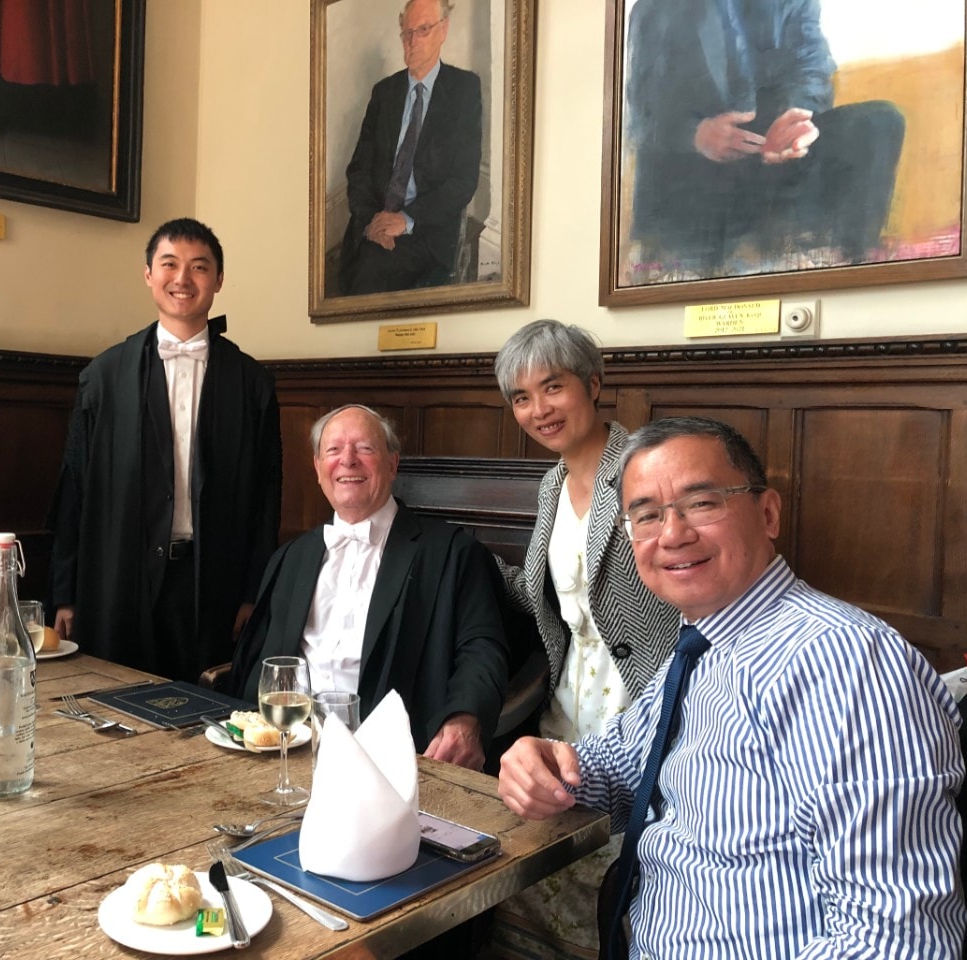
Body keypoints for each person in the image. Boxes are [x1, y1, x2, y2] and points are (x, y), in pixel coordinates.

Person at [499, 417, 966, 958]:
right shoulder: (705, 638)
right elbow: (629, 765)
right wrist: (553, 768)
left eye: (702, 503)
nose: (672, 534)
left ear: (767, 514)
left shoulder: (847, 665)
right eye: (646, 515)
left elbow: (894, 938)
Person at [489, 320, 678, 957]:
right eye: (520, 397)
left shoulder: (646, 467)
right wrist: (469, 566)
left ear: (593, 384)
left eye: (553, 386)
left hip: (642, 693)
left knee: (620, 864)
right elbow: (553, 596)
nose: (538, 409)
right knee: (547, 849)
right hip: (567, 693)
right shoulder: (550, 484)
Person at [49, 218, 281, 683]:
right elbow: (74, 487)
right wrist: (66, 593)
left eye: (199, 267)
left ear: (218, 280)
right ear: (148, 275)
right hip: (119, 577)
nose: (183, 279)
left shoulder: (251, 382)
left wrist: (253, 593)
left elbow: (265, 496)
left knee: (204, 713)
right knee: (119, 708)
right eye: (169, 264)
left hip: (213, 577)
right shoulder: (103, 376)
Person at [230, 404, 507, 770]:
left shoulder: (451, 552)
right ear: (317, 468)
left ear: (392, 464)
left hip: (396, 760)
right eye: (333, 450)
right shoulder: (291, 558)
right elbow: (258, 663)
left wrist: (465, 718)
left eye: (365, 448)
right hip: (289, 749)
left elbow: (483, 648)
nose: (348, 460)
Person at [626, 0, 905, 274]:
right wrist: (697, 135)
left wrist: (796, 120)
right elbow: (640, 116)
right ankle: (690, 268)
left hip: (772, 160)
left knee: (880, 121)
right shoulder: (655, 7)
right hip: (697, 172)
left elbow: (813, 68)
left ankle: (851, 265)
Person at [337, 0, 482, 296]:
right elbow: (359, 169)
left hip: (426, 228)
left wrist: (405, 219)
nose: (413, 42)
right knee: (357, 275)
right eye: (406, 33)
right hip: (374, 224)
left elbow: (463, 181)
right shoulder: (384, 93)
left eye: (424, 30)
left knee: (370, 281)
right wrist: (370, 223)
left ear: (443, 31)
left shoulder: (463, 91)